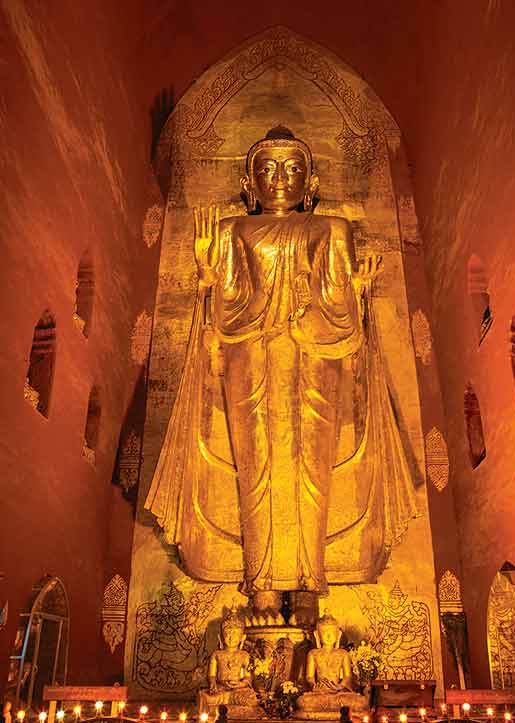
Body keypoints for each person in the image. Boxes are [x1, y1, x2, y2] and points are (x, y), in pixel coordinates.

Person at [146, 126, 417, 622]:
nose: (279, 179)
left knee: (312, 472)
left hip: (316, 357)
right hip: (250, 359)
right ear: (249, 182)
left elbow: (338, 305)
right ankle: (264, 589)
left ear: (310, 182)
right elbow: (227, 309)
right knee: (257, 471)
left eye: (292, 168)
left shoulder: (332, 228)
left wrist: (354, 292)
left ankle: (311, 586)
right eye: (267, 168)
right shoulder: (233, 231)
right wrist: (207, 275)